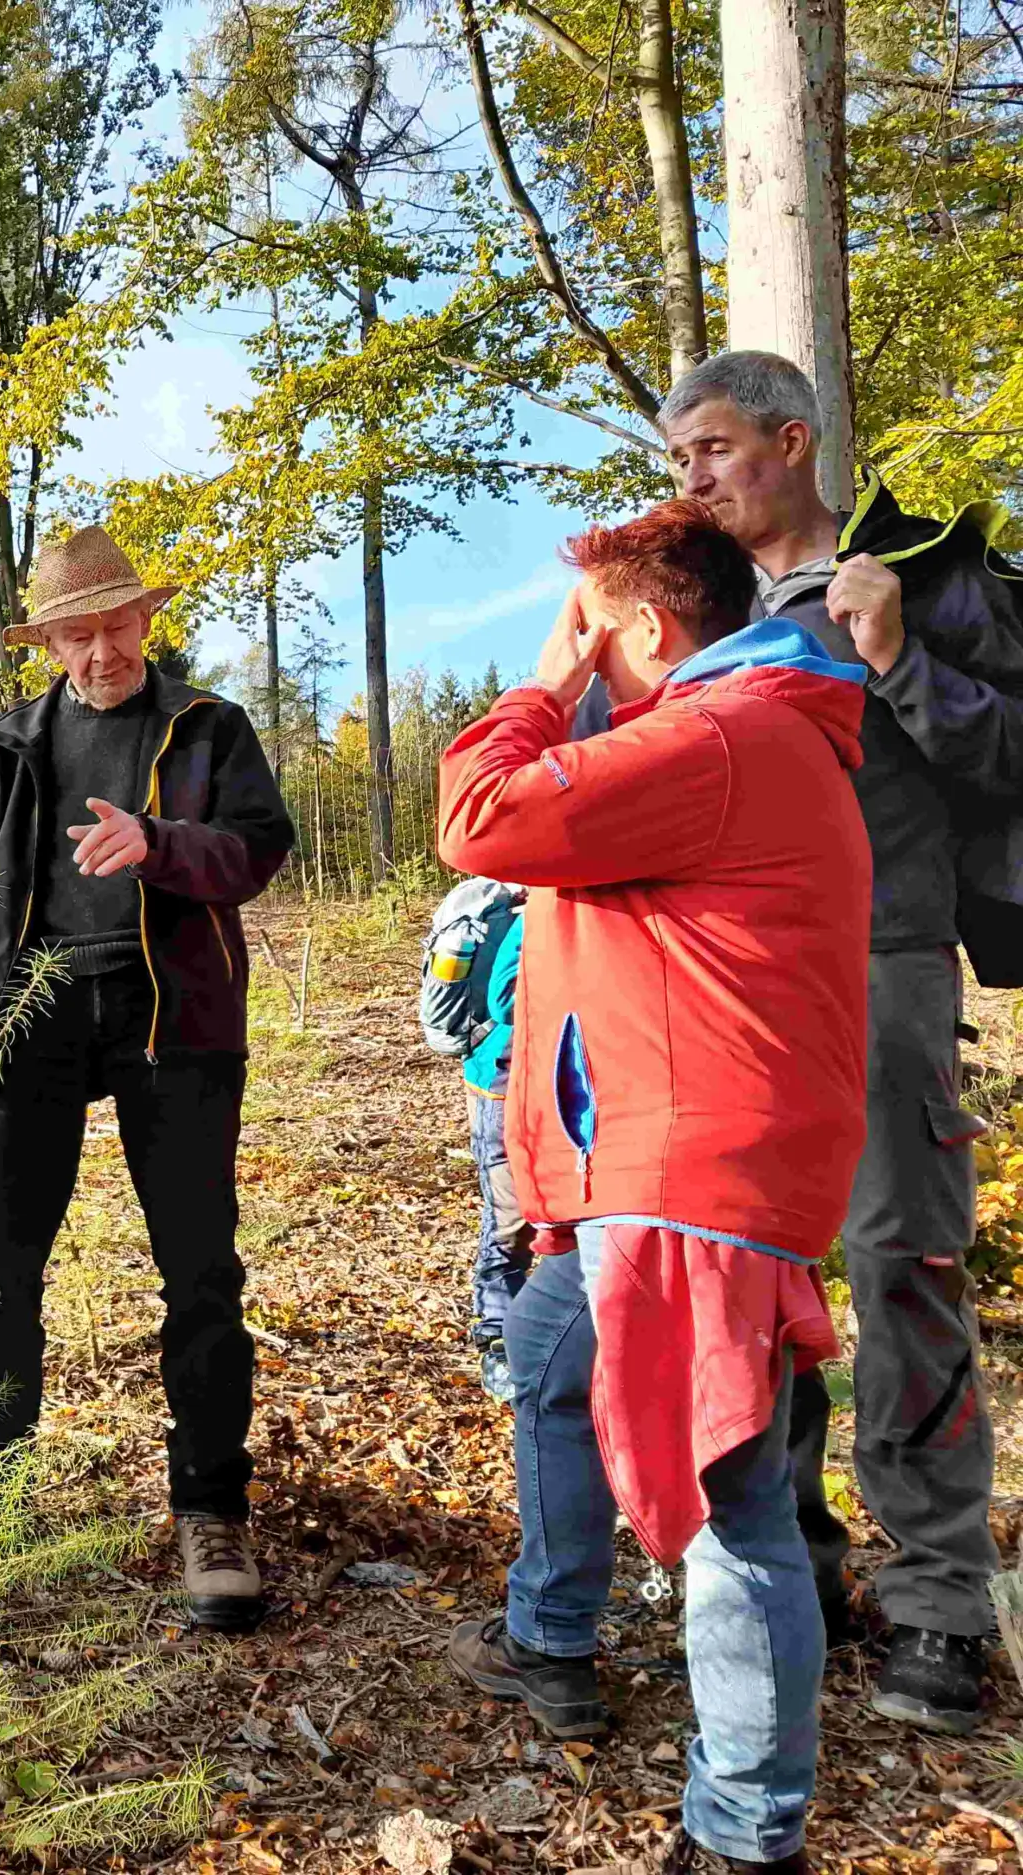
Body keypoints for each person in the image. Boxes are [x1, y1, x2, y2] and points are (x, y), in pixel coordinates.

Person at [437, 500, 870, 1875]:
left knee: (731, 1495)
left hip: (691, 1179)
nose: (587, 666)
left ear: (640, 625)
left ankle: (749, 1833)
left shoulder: (714, 735)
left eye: (596, 632)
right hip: (670, 1164)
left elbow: (482, 815)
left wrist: (544, 677)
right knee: (554, 1360)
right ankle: (553, 1634)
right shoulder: (746, 733)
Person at [665, 349, 1023, 1733]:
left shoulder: (920, 577)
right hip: (724, 983)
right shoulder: (686, 604)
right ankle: (785, 1569)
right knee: (753, 1283)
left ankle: (938, 1598)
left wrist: (901, 661)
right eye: (678, 459)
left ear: (792, 440)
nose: (691, 480)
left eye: (711, 449)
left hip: (883, 968)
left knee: (902, 1265)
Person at [0, 523, 296, 1631]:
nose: (100, 651)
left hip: (171, 1021)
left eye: (116, 625)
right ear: (44, 643)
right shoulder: (6, 749)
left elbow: (258, 850)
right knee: (1, 1268)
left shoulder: (205, 728)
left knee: (197, 1271)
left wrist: (158, 844)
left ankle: (211, 1512)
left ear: (147, 620)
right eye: (75, 634)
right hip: (28, 1018)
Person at [420, 875, 530, 1399]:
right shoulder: (530, 912)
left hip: (554, 1080)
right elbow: (507, 998)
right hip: (501, 1082)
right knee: (509, 1216)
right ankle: (497, 1336)